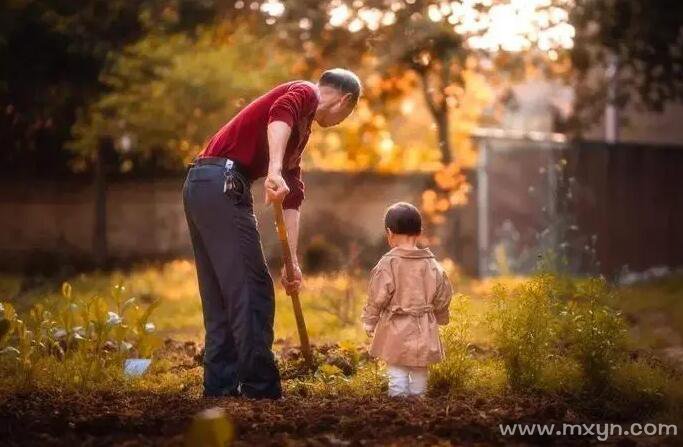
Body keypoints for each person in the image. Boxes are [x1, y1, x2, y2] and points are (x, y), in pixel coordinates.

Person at [183, 69, 361, 398]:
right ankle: (260, 389)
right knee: (253, 288)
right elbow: (281, 112)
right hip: (221, 182)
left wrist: (292, 262)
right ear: (345, 101)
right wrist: (274, 169)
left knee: (224, 294)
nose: (340, 121)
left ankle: (221, 388)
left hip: (203, 184)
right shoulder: (306, 93)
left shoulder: (298, 136)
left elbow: (292, 198)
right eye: (347, 115)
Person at [361, 202, 453, 397]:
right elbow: (443, 294)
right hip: (424, 327)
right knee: (420, 368)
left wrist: (370, 321)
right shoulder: (433, 265)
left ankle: (398, 402)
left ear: (390, 233)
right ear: (419, 232)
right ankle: (418, 403)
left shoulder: (389, 264)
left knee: (397, 368)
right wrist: (441, 316)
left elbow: (377, 296)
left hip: (396, 327)